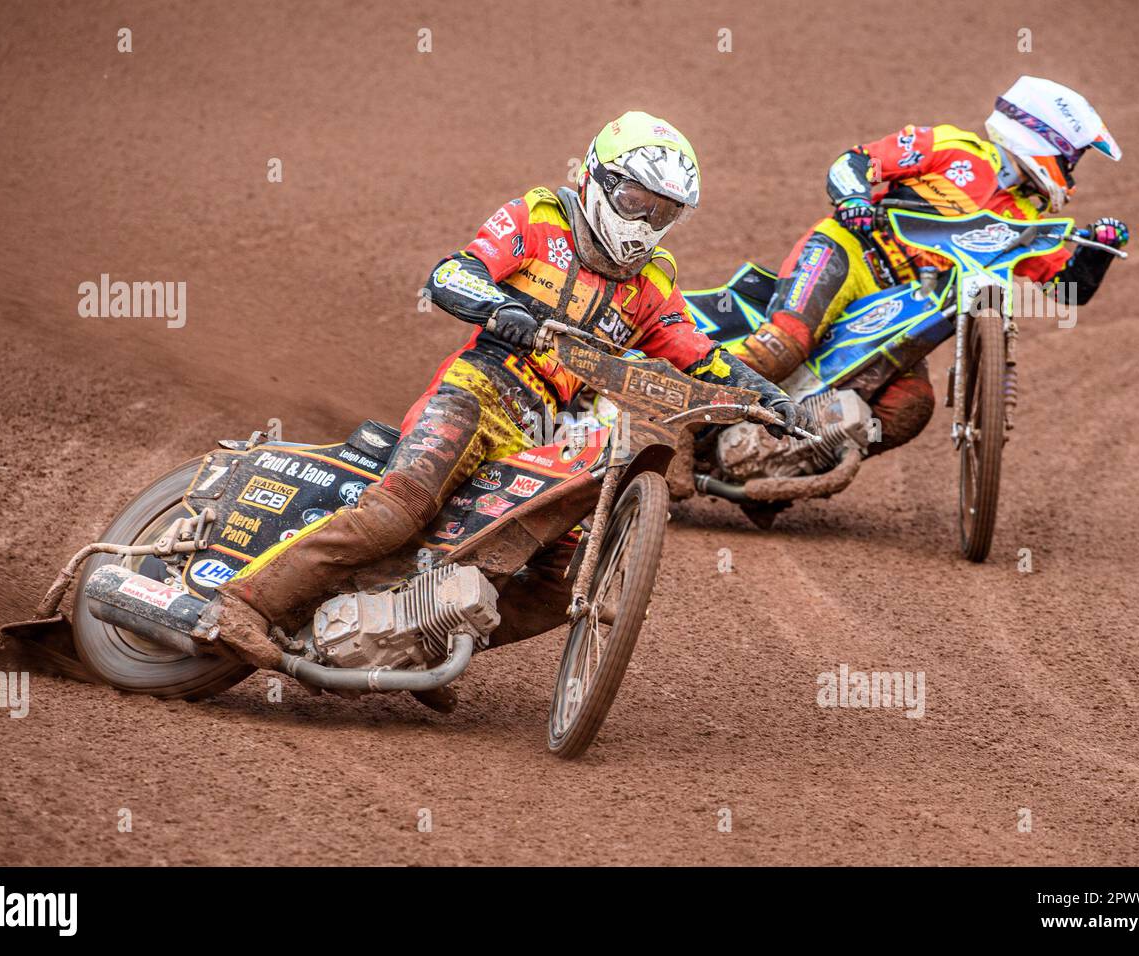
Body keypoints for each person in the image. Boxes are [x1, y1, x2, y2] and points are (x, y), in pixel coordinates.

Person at [208, 111, 803, 698]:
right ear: (597, 179)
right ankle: (240, 603)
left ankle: (420, 641)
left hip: (553, 434)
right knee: (397, 512)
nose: (647, 223)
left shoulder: (653, 282)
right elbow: (453, 274)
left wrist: (768, 395)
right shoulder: (540, 218)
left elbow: (698, 353)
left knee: (558, 582)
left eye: (664, 212)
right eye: (636, 201)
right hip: (481, 391)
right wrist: (501, 308)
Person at [731, 76, 1130, 455]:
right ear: (1045, 138)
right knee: (782, 347)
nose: (1071, 174)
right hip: (851, 254)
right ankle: (680, 417)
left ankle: (788, 466)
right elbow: (855, 161)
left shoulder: (1025, 219)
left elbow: (1066, 288)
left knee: (907, 407)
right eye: (1072, 159)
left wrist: (1099, 250)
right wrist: (854, 200)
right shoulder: (954, 148)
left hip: (909, 301)